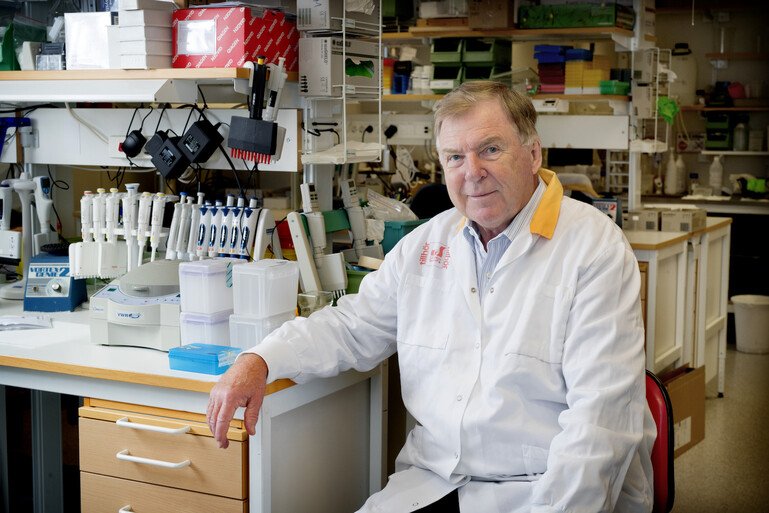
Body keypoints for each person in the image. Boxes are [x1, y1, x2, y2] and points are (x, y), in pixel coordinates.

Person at [207, 81, 656, 513]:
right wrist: (260, 360)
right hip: (433, 483)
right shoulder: (427, 243)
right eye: (455, 157)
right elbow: (351, 326)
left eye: (491, 149)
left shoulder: (594, 248)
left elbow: (599, 424)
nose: (472, 172)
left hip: (543, 491)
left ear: (533, 153)